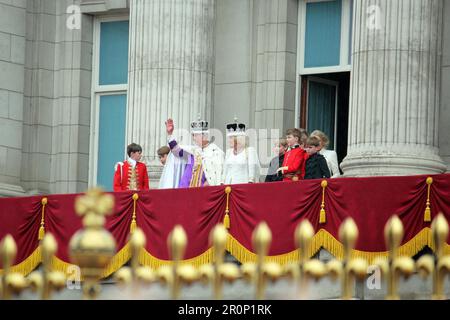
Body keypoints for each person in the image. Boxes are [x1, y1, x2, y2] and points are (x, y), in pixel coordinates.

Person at [164, 117, 224, 188]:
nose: (194, 138)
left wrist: (208, 183)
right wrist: (170, 134)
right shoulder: (193, 151)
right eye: (193, 136)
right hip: (186, 191)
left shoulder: (216, 152)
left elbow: (217, 176)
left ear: (204, 136)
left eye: (196, 135)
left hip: (202, 192)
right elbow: (177, 151)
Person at [222, 120, 260, 184]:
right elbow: (225, 169)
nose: (229, 140)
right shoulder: (229, 152)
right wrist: (222, 182)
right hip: (228, 187)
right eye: (229, 138)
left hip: (242, 186)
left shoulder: (249, 151)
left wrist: (251, 182)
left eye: (231, 138)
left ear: (238, 139)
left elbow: (252, 172)